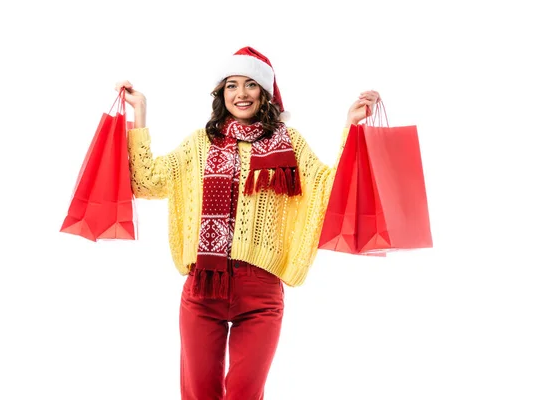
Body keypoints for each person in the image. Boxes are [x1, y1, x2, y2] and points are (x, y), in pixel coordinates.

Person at [115, 46, 380, 400]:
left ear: (265, 94)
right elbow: (146, 182)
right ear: (221, 93)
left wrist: (351, 126)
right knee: (198, 394)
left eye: (251, 84)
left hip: (260, 291)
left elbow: (330, 191)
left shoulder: (290, 144)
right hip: (202, 288)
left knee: (245, 393)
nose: (241, 94)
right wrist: (140, 113)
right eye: (231, 85)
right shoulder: (200, 144)